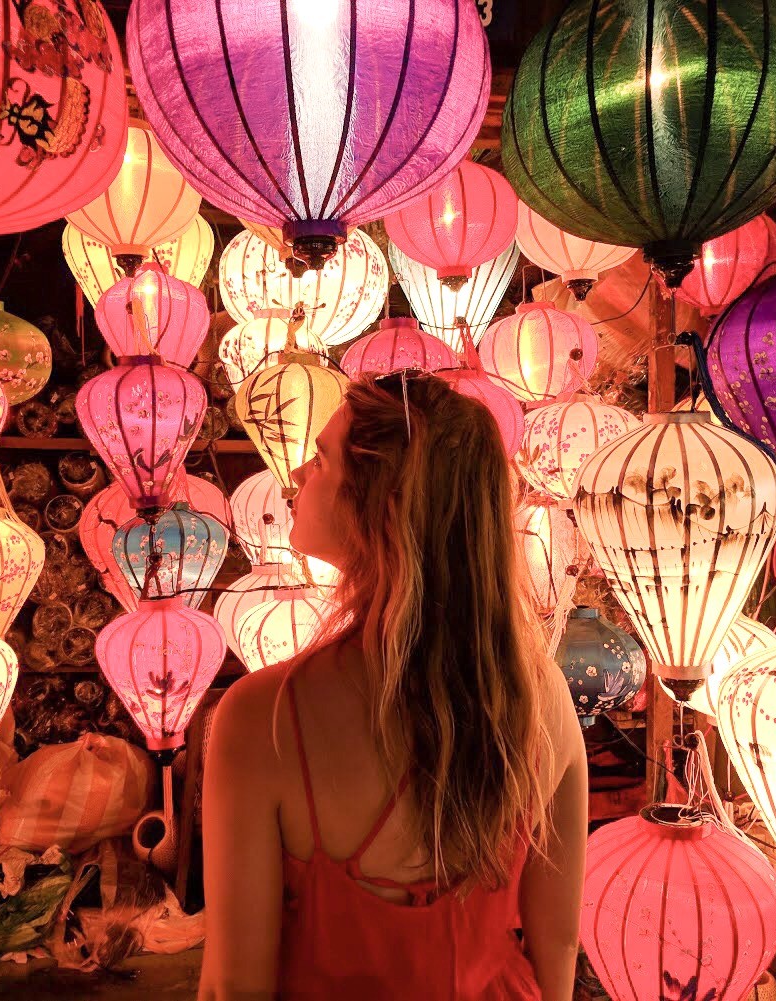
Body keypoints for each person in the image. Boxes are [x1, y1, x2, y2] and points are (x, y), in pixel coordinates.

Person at [199, 372, 588, 1001]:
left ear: (379, 503)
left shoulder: (264, 718)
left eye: (322, 459)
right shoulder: (541, 695)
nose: (298, 474)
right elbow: (559, 941)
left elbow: (232, 986)